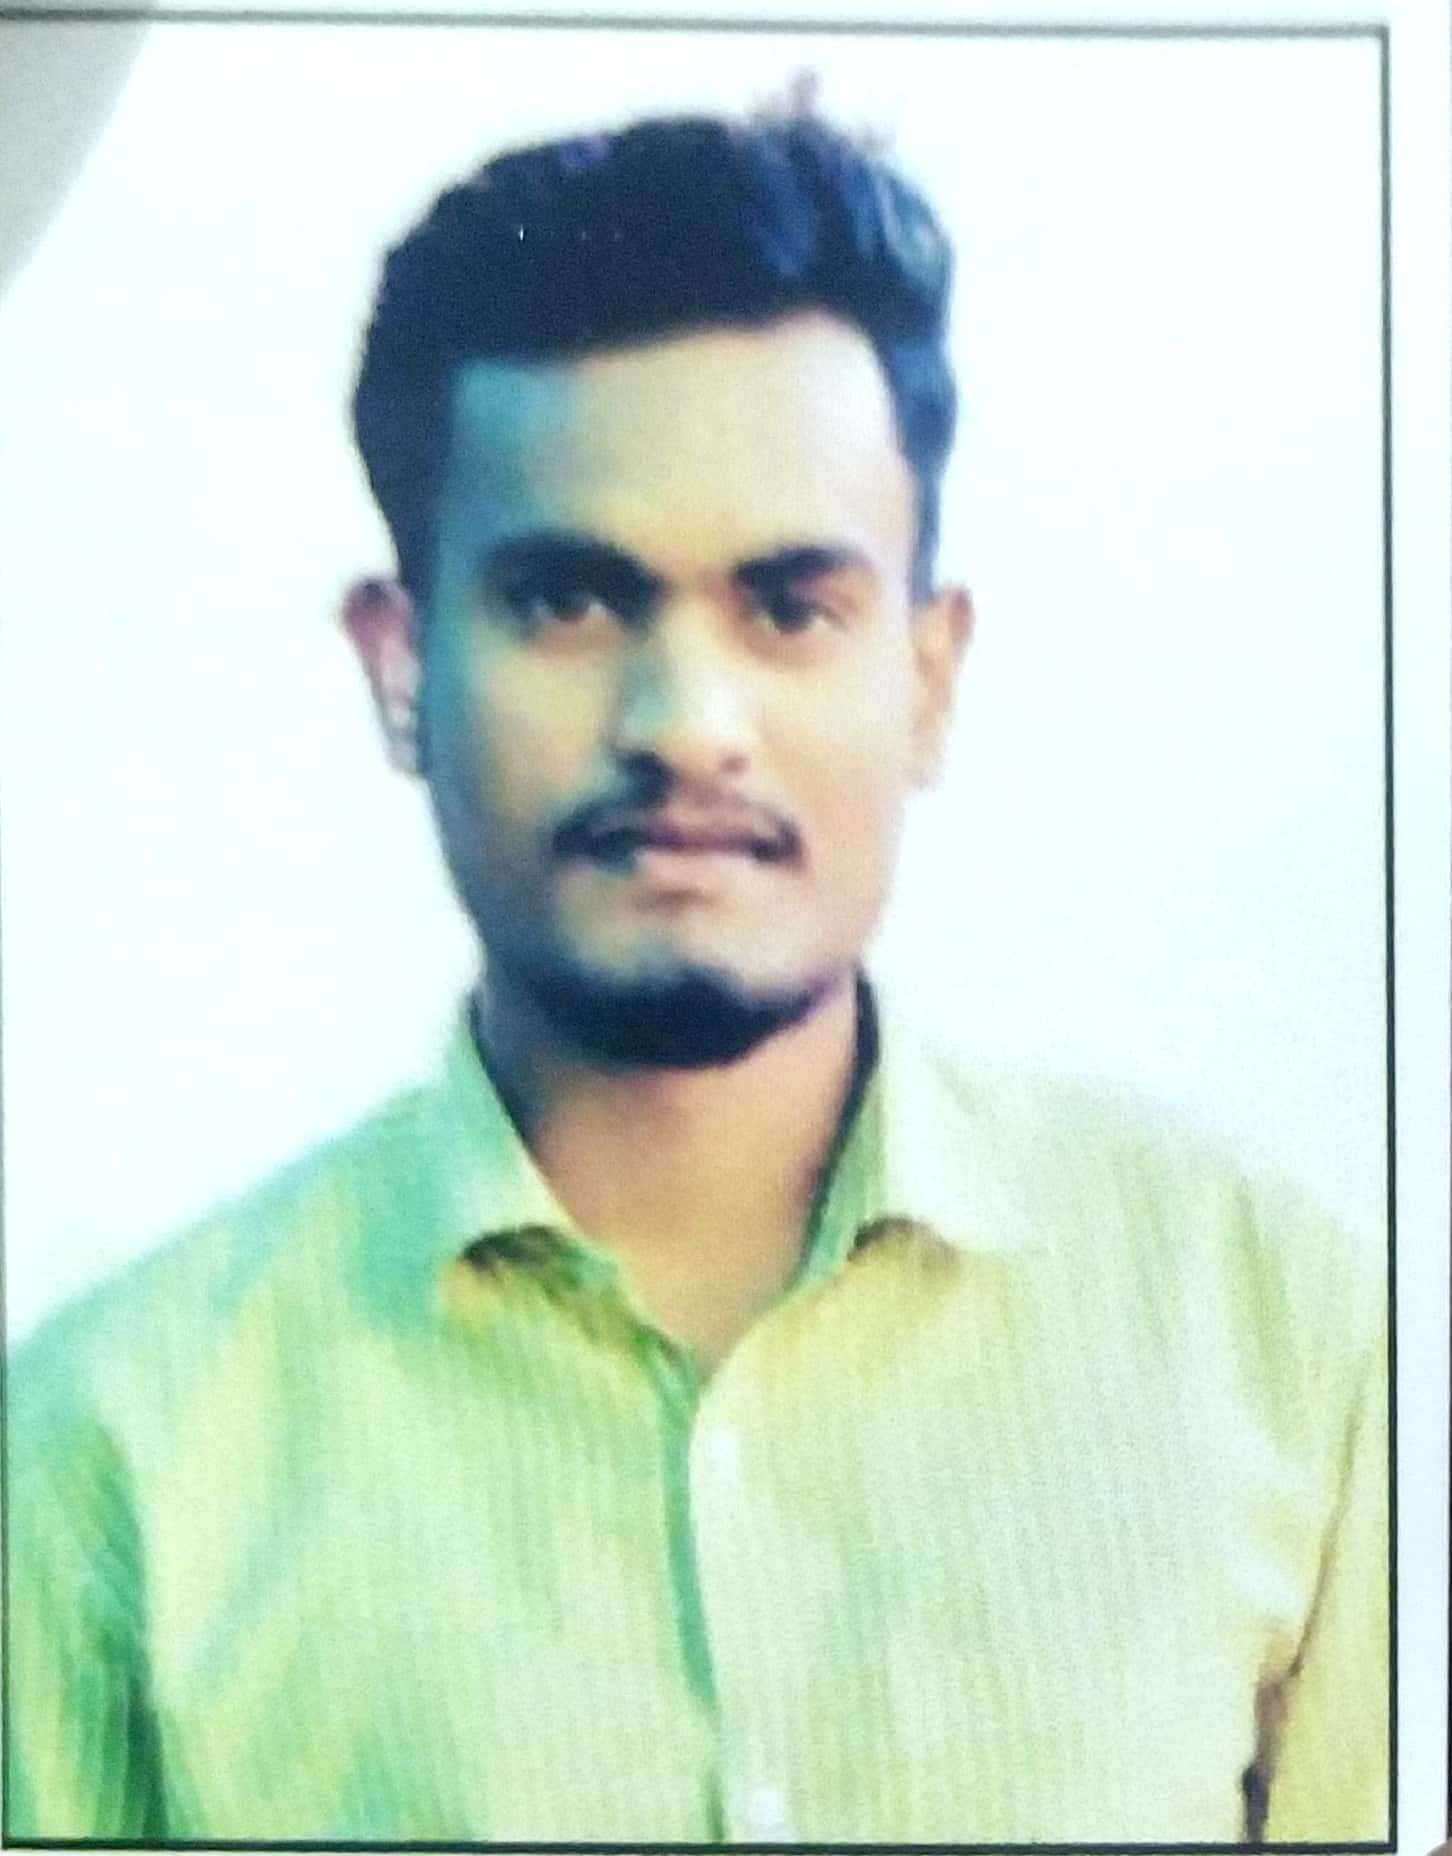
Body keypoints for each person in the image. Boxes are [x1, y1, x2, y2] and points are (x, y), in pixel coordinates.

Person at [5, 105, 1388, 1845]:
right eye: (569, 603)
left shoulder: (1286, 1347)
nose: (685, 725)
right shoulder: (107, 1464)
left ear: (930, 676)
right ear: (399, 665)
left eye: (791, 607)